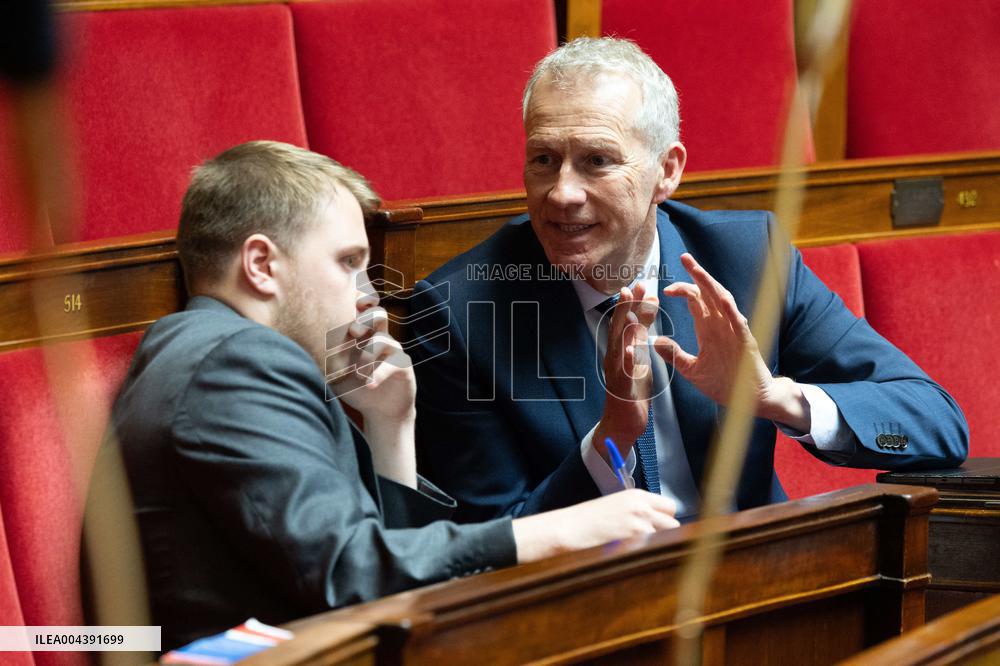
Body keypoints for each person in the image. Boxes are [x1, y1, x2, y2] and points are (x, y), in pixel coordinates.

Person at [109, 140, 680, 650]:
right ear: (261, 265)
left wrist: (391, 426)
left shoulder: (208, 351)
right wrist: (556, 531)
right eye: (349, 264)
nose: (368, 298)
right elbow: (350, 574)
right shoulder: (236, 363)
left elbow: (390, 575)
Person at [409, 37, 969, 524]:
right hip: (585, 611)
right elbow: (491, 547)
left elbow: (935, 421)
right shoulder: (459, 313)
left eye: (597, 160)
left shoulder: (748, 260)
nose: (561, 194)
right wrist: (609, 442)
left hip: (759, 586)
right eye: (543, 159)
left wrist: (775, 398)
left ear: (667, 171)